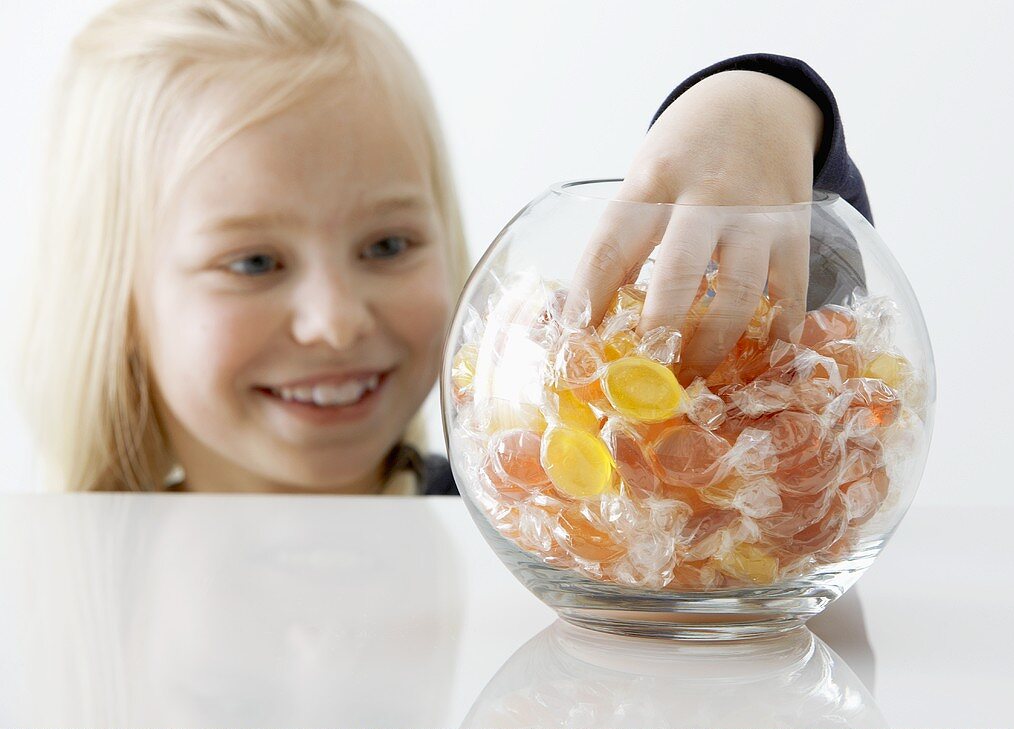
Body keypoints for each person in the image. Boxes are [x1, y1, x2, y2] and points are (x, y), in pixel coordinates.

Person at [16, 0, 869, 495]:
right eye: (254, 263)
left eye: (387, 244)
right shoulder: (73, 586)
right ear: (114, 301)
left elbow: (801, 387)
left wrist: (766, 104)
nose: (338, 322)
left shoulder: (533, 517)